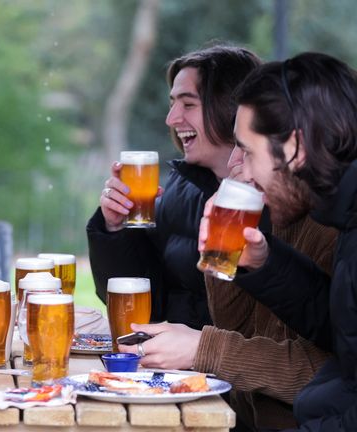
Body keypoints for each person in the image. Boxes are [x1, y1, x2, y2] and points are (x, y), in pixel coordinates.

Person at [119, 144, 335, 430]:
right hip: (242, 418)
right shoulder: (274, 217)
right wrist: (218, 252)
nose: (233, 160)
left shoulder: (332, 231)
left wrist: (203, 349)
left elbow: (334, 372)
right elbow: (236, 326)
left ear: (293, 145)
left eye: (246, 149)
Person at [204, 52, 357, 431]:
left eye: (247, 150)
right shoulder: (345, 214)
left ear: (293, 147)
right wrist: (265, 264)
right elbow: (342, 328)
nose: (238, 166)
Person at [87, 45, 261, 329]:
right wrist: (114, 229)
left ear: (231, 108)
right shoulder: (181, 186)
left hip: (233, 368)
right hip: (173, 366)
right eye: (172, 104)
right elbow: (145, 302)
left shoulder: (276, 200)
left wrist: (201, 350)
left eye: (188, 104)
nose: (171, 119)